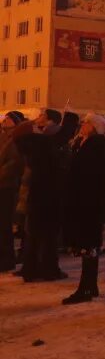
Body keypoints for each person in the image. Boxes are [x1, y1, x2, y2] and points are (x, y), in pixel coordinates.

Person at [19, 113, 78, 282]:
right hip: (50, 195)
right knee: (49, 235)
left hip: (37, 194)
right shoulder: (50, 146)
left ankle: (30, 269)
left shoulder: (34, 144)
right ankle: (48, 269)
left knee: (34, 234)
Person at [62, 112, 105, 304]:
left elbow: (90, 174)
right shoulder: (86, 143)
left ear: (94, 127)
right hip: (86, 200)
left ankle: (86, 287)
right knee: (89, 244)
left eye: (86, 123)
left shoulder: (95, 145)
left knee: (88, 243)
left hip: (88, 201)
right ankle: (90, 285)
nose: (82, 125)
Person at [0, 114, 25, 272]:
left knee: (4, 224)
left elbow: (14, 163)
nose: (4, 120)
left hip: (6, 187)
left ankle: (6, 259)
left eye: (8, 118)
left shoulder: (15, 139)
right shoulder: (3, 137)